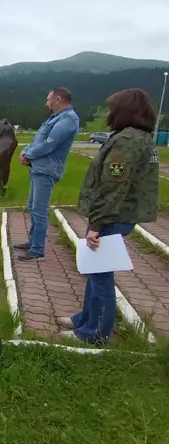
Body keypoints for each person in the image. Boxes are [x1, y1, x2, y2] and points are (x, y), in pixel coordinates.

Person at [59, 88, 159, 345]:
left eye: (111, 108)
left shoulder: (126, 141)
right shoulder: (141, 137)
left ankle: (95, 333)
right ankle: (85, 318)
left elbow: (113, 186)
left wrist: (96, 224)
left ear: (123, 111)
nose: (108, 113)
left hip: (112, 215)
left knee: (102, 276)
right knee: (96, 270)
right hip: (120, 214)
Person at [13, 87, 79, 262]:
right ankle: (33, 241)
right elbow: (38, 140)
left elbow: (49, 144)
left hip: (47, 170)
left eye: (49, 99)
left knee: (40, 211)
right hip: (38, 167)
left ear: (58, 99)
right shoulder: (55, 118)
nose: (46, 103)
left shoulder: (68, 120)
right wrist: (26, 152)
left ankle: (37, 250)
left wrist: (28, 155)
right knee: (33, 207)